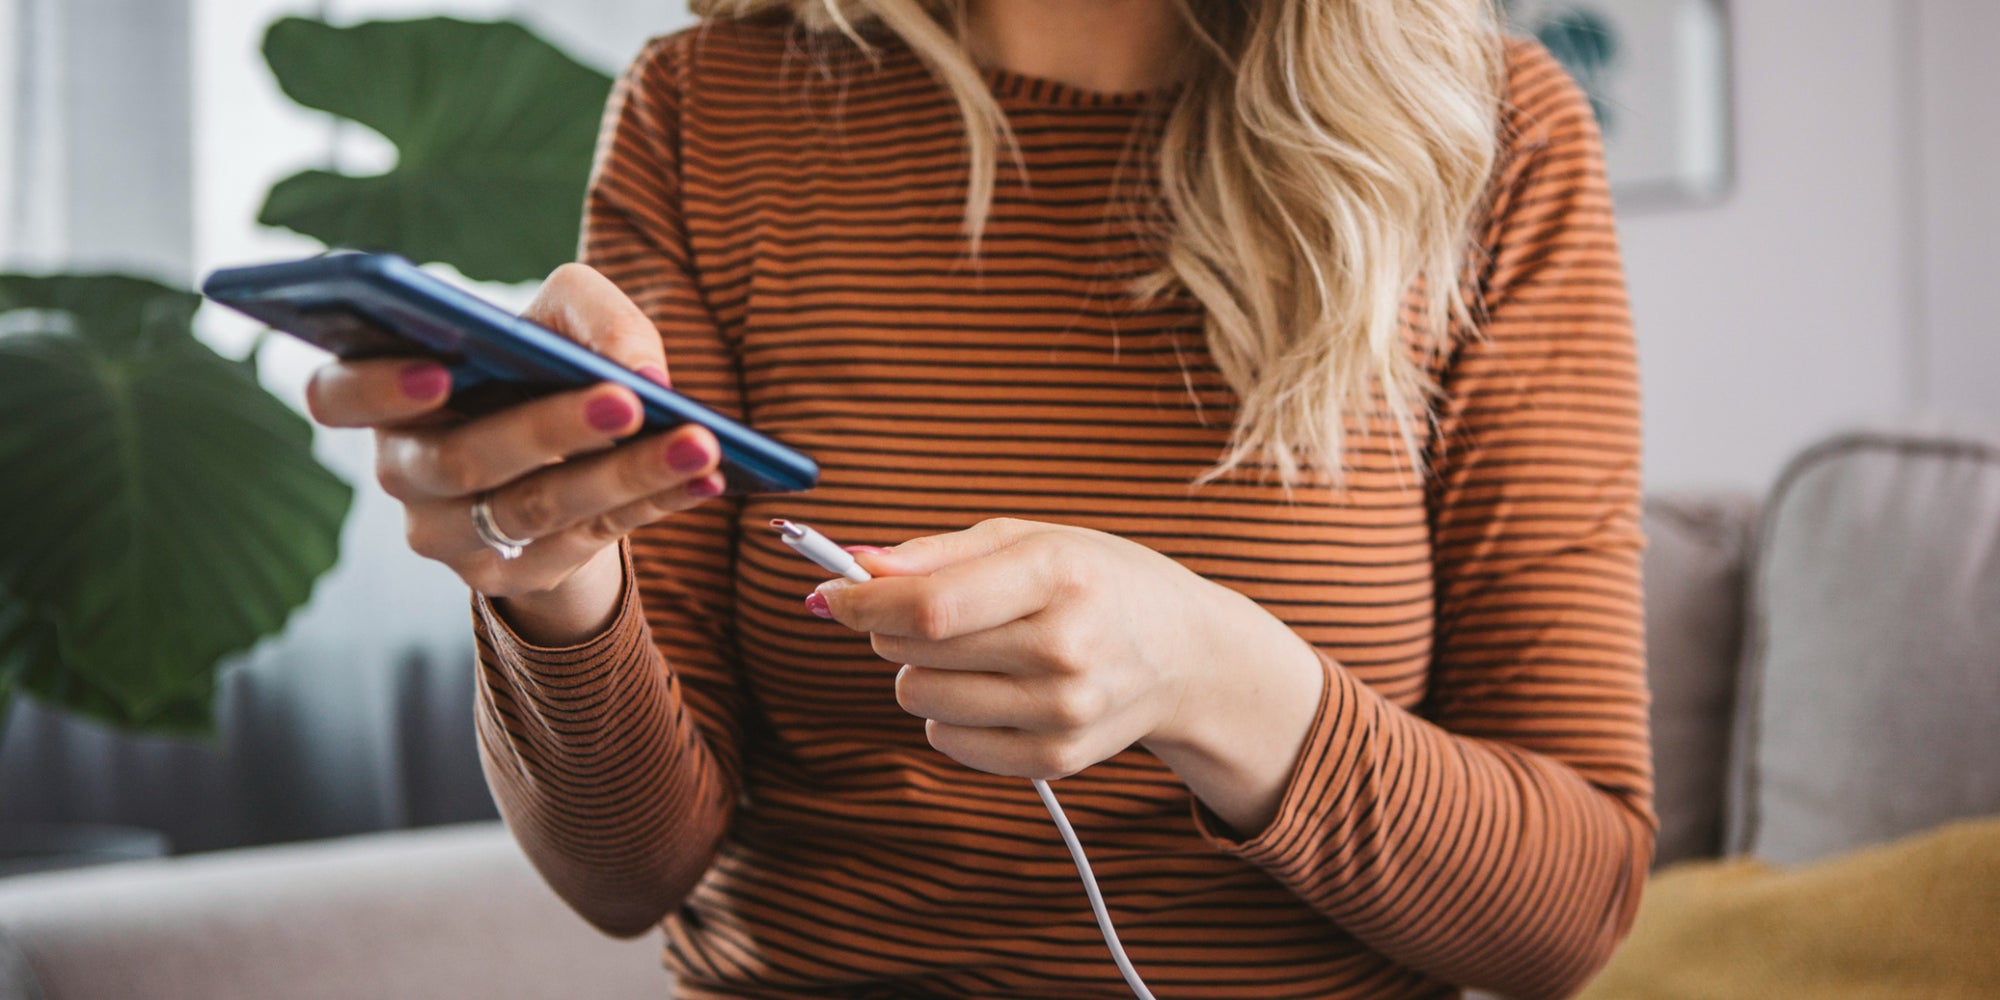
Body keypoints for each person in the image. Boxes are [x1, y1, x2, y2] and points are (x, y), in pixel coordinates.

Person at [304, 1, 1653, 996]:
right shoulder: (712, 104)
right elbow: (626, 875)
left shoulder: (1495, 134)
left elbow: (1567, 914)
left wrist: (1212, 678)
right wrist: (555, 575)